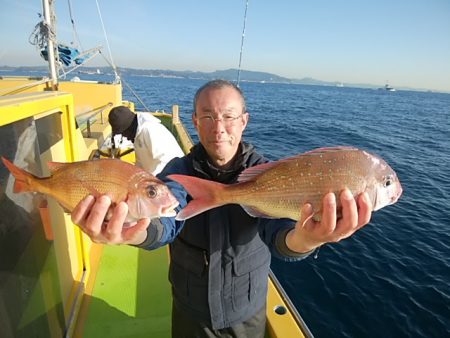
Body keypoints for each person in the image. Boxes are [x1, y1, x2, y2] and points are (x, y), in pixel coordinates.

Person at [72, 80, 373, 337]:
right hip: (191, 311)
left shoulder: (265, 172)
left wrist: (308, 239)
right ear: (194, 121)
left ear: (244, 121)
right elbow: (165, 224)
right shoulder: (178, 172)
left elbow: (278, 233)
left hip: (246, 312)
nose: (219, 129)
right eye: (208, 117)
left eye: (229, 117)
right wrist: (131, 231)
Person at [108, 106, 184, 175]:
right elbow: (141, 164)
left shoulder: (150, 129)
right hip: (154, 179)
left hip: (174, 176)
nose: (125, 137)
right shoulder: (137, 134)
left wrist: (150, 182)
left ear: (128, 128)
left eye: (123, 132)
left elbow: (166, 160)